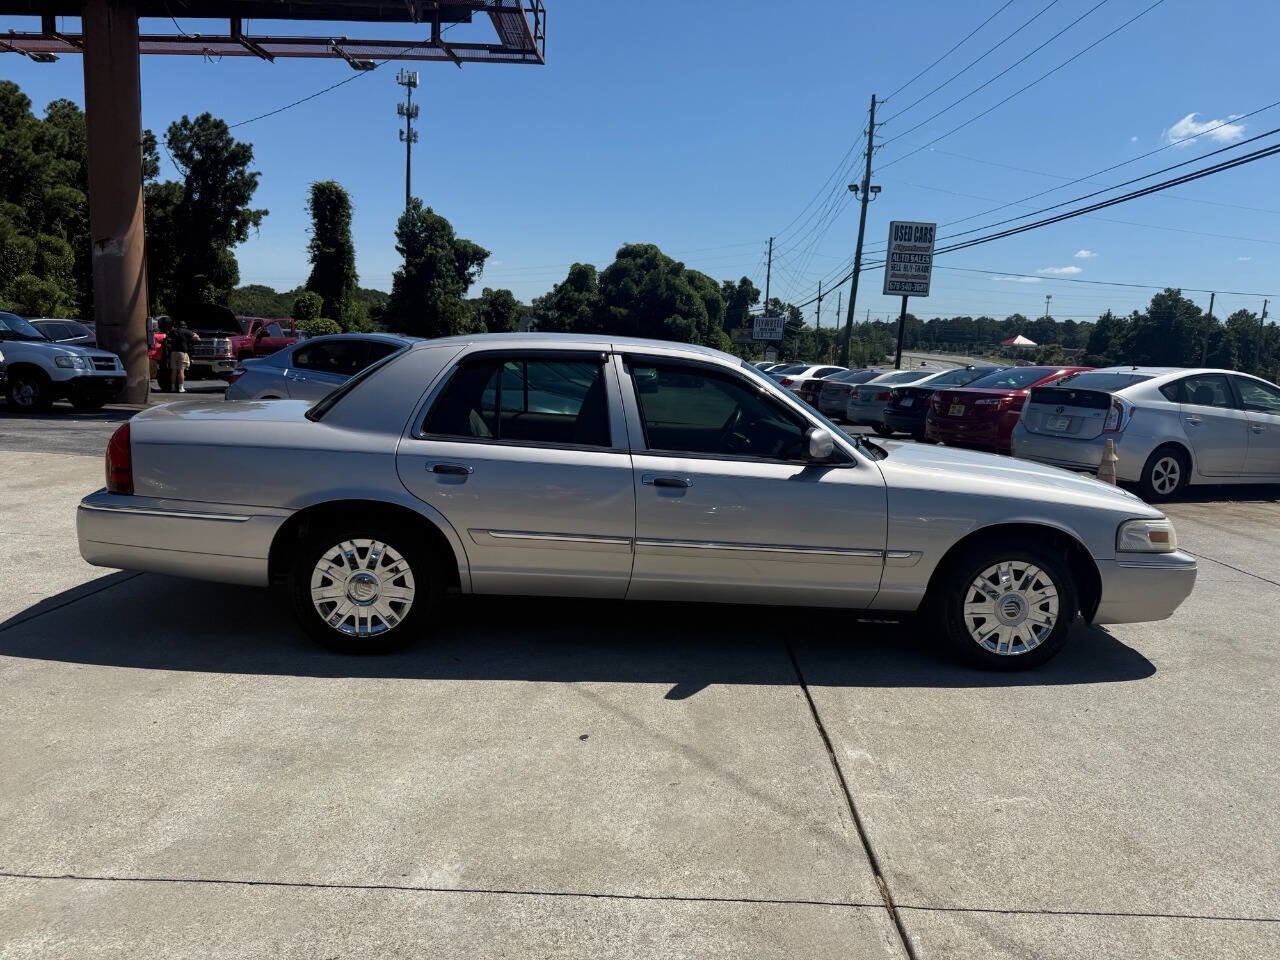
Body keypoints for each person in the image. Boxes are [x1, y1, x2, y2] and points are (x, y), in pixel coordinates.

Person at [166, 318, 200, 393]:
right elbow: (197, 339)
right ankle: (181, 388)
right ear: (185, 326)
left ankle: (173, 387)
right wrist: (195, 334)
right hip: (182, 352)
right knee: (181, 370)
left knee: (174, 370)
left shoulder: (173, 331)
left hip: (173, 353)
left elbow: (167, 338)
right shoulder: (187, 331)